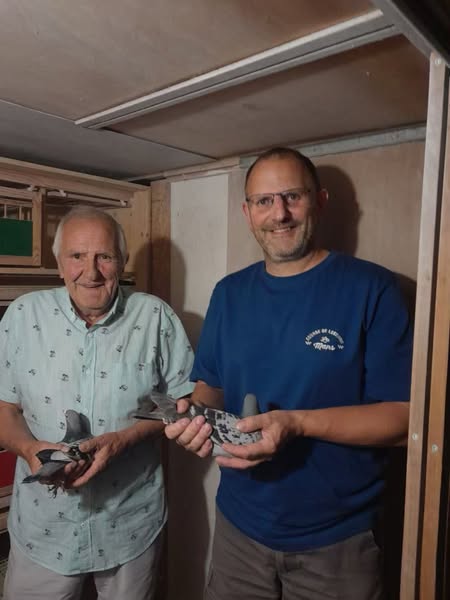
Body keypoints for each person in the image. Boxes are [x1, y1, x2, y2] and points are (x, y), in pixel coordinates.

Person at [165, 147, 412, 600]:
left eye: (292, 197)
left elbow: (403, 420)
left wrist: (296, 423)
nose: (279, 214)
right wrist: (195, 420)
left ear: (319, 200)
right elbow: (211, 387)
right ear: (247, 212)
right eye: (264, 201)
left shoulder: (372, 288)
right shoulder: (229, 293)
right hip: (239, 530)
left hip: (337, 541)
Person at [0, 206, 194, 600]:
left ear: (122, 261)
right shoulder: (22, 315)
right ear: (59, 264)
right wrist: (28, 449)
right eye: (77, 256)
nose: (91, 272)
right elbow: (5, 408)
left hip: (130, 521)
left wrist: (124, 439)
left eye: (104, 256)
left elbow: (183, 403)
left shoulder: (154, 316)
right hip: (44, 527)